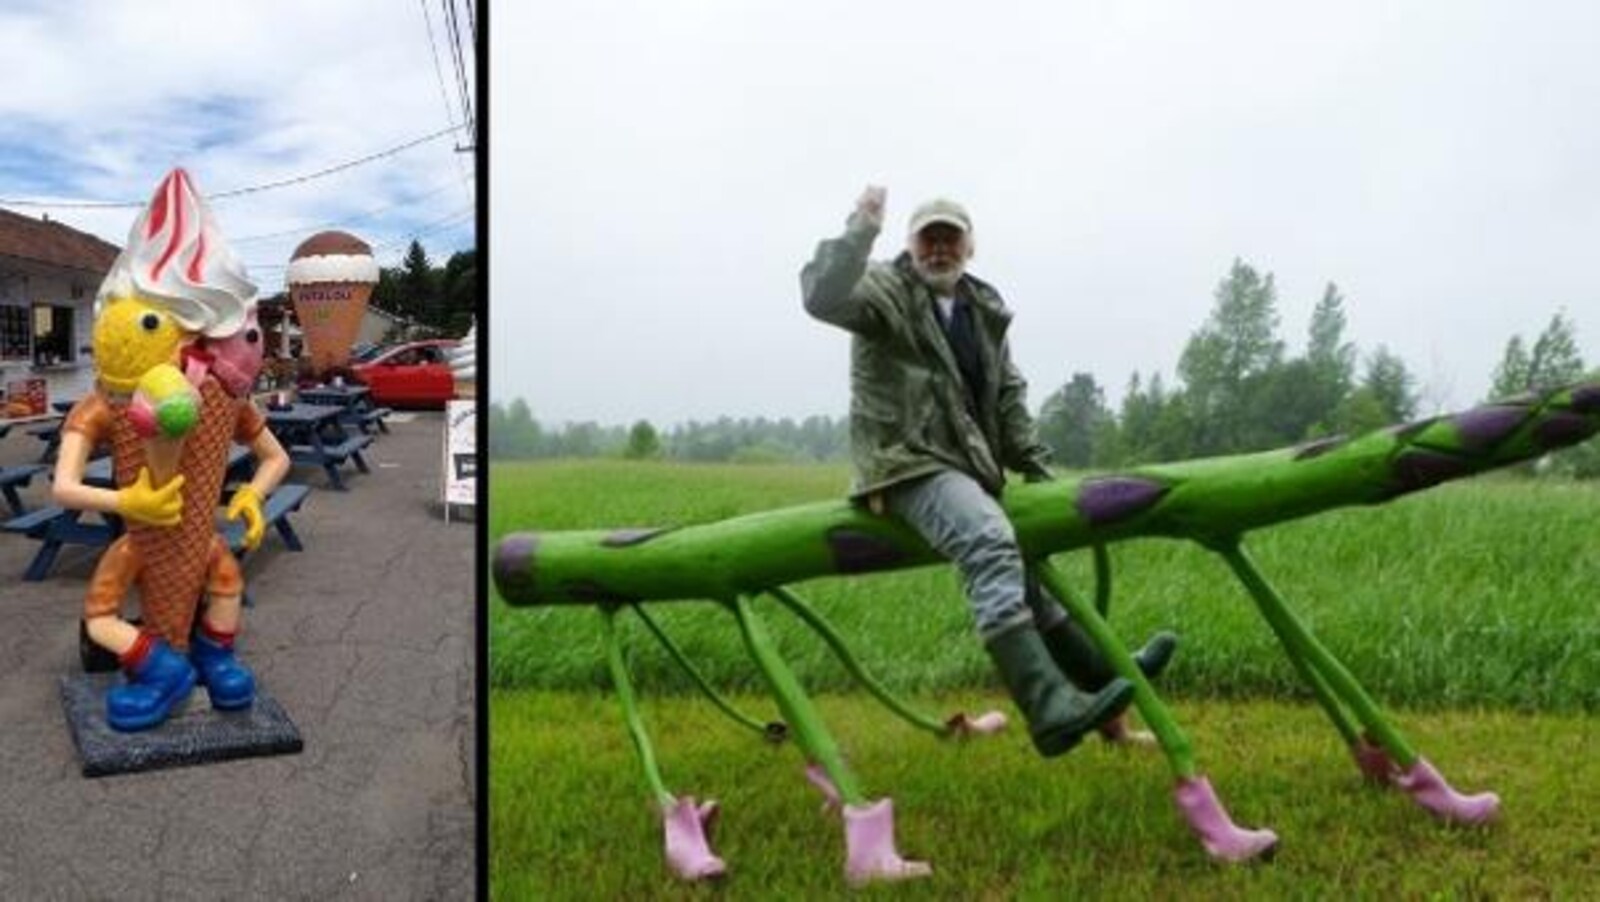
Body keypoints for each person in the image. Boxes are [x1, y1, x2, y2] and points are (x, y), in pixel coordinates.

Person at [801, 186, 1177, 756]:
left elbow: (1005, 394)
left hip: (968, 471)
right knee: (989, 543)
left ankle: (1104, 678)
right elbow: (821, 296)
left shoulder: (982, 308)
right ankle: (1049, 708)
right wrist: (860, 228)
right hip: (906, 466)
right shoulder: (882, 289)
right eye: (929, 238)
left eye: (950, 238)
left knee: (1028, 575)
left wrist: (1036, 465)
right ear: (910, 244)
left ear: (970, 246)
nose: (939, 249)